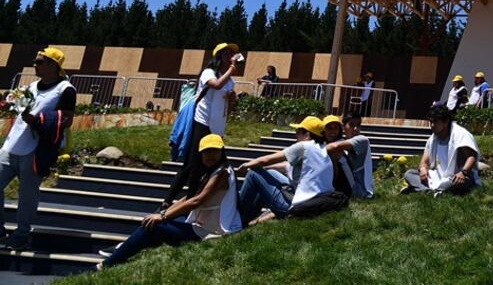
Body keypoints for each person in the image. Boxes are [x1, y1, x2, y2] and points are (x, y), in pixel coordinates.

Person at [99, 134, 241, 268]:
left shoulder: (222, 173)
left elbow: (197, 201)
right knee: (154, 224)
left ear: (222, 151)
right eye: (206, 152)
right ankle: (121, 250)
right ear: (201, 154)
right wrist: (164, 213)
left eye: (214, 151)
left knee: (153, 226)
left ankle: (109, 262)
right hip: (202, 226)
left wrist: (163, 216)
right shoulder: (211, 172)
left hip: (211, 232)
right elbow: (189, 198)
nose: (210, 156)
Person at [0, 48, 75, 250]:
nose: (35, 64)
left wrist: (39, 121)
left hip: (35, 149)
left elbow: (66, 120)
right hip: (12, 144)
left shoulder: (65, 89)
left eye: (39, 61)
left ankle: (22, 234)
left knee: (27, 195)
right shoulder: (32, 86)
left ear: (52, 65)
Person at [162, 43, 243, 208]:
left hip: (217, 128)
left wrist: (232, 100)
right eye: (227, 53)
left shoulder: (230, 81)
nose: (231, 56)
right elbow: (216, 84)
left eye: (232, 54)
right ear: (218, 56)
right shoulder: (208, 73)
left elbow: (227, 110)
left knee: (217, 167)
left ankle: (198, 203)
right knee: (192, 166)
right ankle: (169, 202)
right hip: (202, 122)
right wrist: (232, 69)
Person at [236, 116, 335, 225]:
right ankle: (249, 217)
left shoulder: (303, 146)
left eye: (298, 132)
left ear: (307, 135)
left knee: (253, 173)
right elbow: (286, 166)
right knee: (267, 173)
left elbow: (266, 160)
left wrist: (246, 166)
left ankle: (238, 219)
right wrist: (265, 169)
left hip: (296, 210)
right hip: (316, 205)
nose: (295, 135)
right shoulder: (323, 151)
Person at [401, 103, 481, 196]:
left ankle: (422, 189)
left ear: (446, 122)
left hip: (457, 176)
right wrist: (423, 169)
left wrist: (462, 173)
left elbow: (471, 156)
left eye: (435, 122)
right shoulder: (433, 139)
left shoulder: (460, 134)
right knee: (409, 174)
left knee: (459, 183)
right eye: (431, 122)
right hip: (437, 176)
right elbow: (424, 162)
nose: (432, 125)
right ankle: (431, 192)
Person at [325, 112, 374, 199]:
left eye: (358, 125)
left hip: (361, 191)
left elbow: (335, 146)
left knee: (335, 153)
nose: (355, 129)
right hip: (349, 186)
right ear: (343, 127)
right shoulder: (342, 141)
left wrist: (311, 152)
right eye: (351, 125)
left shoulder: (362, 140)